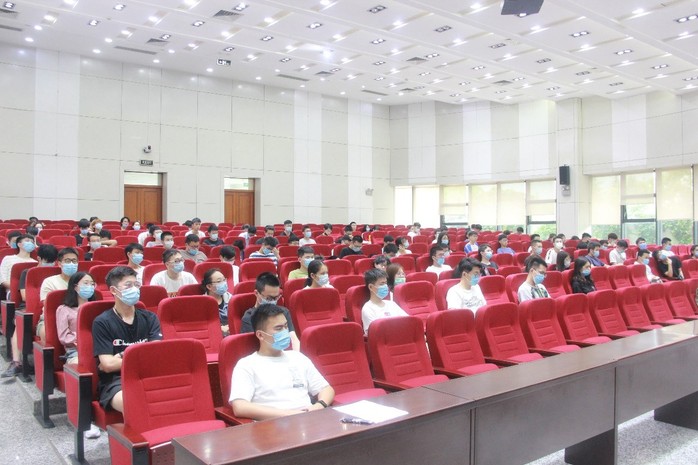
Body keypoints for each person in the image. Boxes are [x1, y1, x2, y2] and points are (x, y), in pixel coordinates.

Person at [230, 304, 334, 420]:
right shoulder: (246, 365)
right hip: (272, 424)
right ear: (260, 335)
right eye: (279, 328)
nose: (285, 332)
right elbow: (240, 406)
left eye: (286, 326)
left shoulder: (298, 357)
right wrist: (288, 414)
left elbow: (326, 389)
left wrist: (319, 405)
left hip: (309, 420)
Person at [93, 267, 162, 413]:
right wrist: (141, 355)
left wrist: (122, 355)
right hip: (116, 381)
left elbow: (155, 356)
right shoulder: (102, 322)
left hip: (148, 374)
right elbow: (108, 365)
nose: (135, 289)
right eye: (128, 285)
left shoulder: (150, 318)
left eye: (136, 285)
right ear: (113, 290)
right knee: (135, 404)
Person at [240, 273, 300, 350]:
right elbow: (252, 347)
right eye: (269, 298)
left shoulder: (284, 312)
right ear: (256, 293)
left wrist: (296, 354)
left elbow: (293, 338)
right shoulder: (249, 317)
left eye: (276, 298)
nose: (273, 301)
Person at [57, 271, 97, 365]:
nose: (90, 286)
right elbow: (64, 337)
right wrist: (85, 339)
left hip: (98, 348)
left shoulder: (97, 307)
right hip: (76, 351)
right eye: (86, 283)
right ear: (75, 287)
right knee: (82, 363)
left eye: (92, 284)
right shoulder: (64, 309)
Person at [361, 269, 408, 336]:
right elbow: (374, 334)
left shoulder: (391, 304)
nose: (385, 286)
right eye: (381, 284)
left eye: (386, 283)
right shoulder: (368, 308)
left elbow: (408, 321)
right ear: (371, 287)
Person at [202, 268, 231, 335]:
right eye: (219, 281)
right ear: (209, 286)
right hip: (213, 334)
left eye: (224, 280)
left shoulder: (230, 298)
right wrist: (219, 328)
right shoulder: (202, 303)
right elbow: (203, 324)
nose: (224, 283)